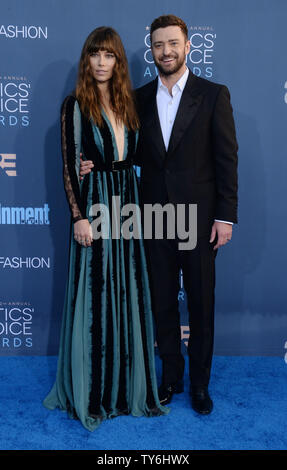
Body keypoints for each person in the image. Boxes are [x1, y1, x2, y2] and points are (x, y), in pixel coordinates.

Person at [80, 15, 238, 415]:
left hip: (200, 221)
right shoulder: (137, 97)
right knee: (163, 303)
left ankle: (199, 385)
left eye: (172, 43)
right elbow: (128, 152)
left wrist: (226, 217)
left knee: (201, 304)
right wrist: (93, 164)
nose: (165, 51)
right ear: (151, 50)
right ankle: (170, 378)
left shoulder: (213, 94)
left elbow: (226, 160)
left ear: (188, 46)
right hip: (152, 219)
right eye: (158, 45)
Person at [43, 26, 169, 431]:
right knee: (96, 297)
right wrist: (78, 215)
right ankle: (95, 393)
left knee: (126, 292)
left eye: (109, 55)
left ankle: (125, 390)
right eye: (95, 54)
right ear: (87, 60)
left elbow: (138, 157)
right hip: (94, 203)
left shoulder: (129, 104)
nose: (101, 62)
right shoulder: (74, 105)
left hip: (127, 201)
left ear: (118, 62)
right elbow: (68, 165)